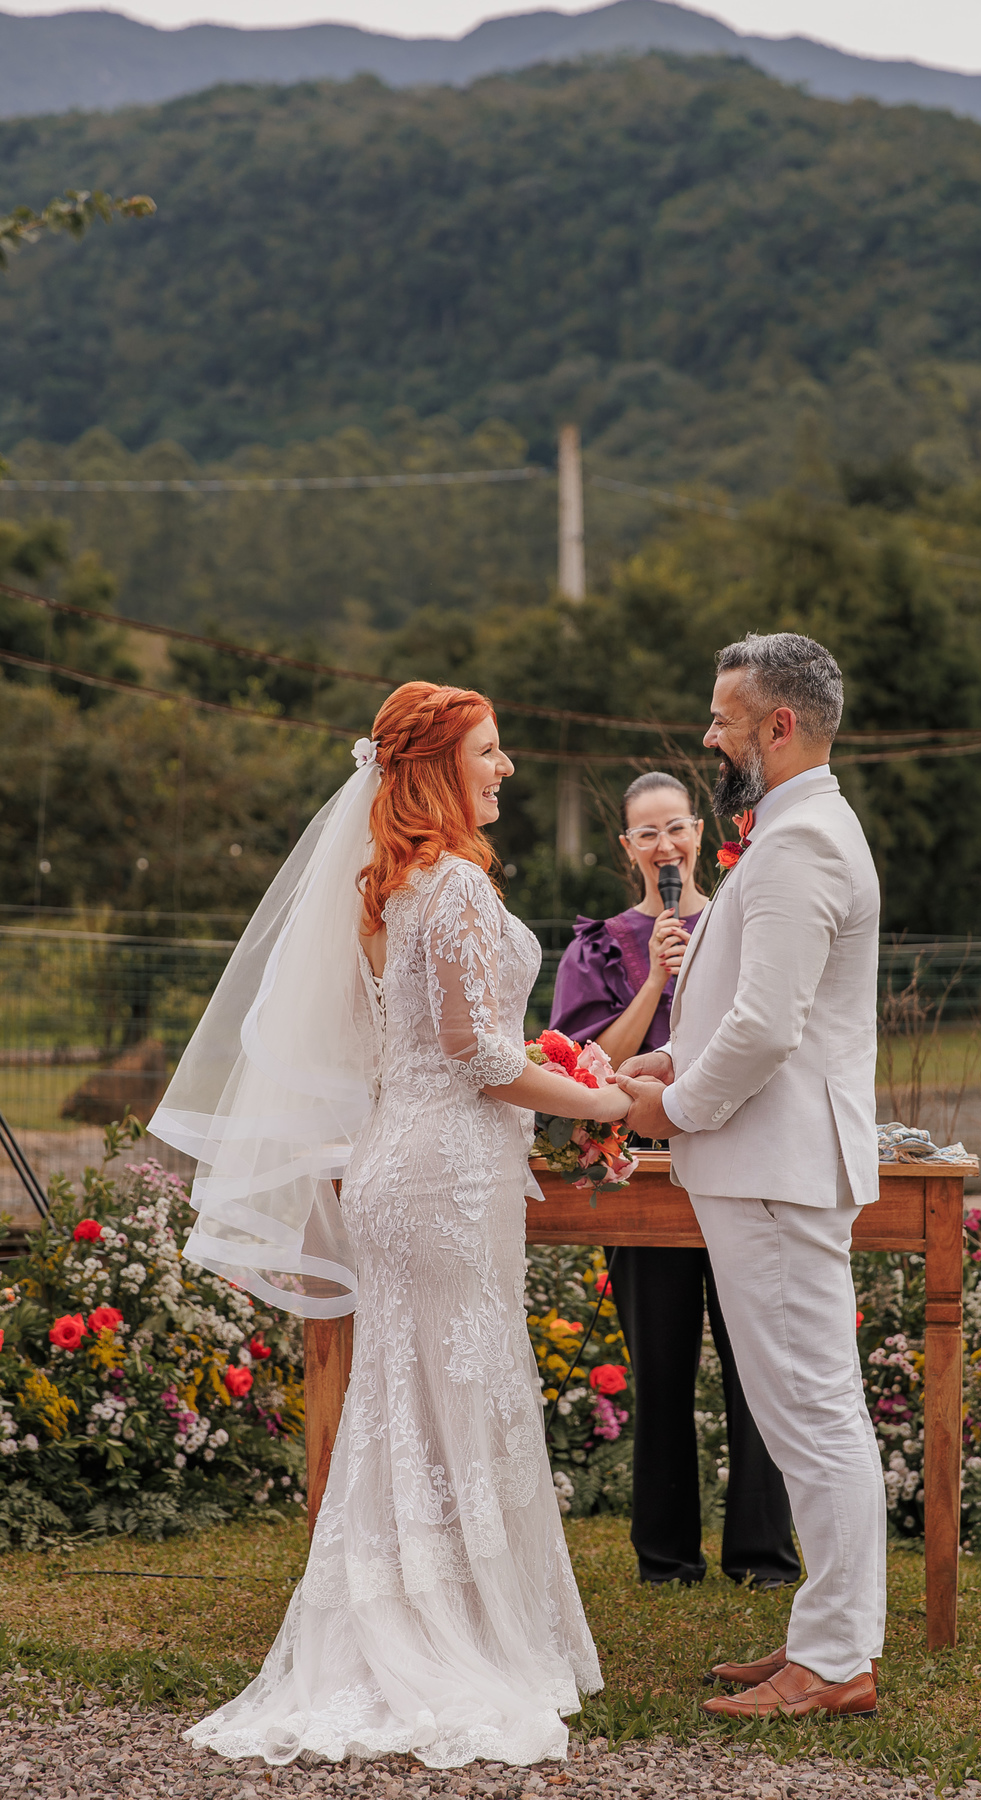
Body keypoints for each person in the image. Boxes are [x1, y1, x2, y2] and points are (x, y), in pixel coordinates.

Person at [151, 682, 630, 1770]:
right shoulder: (449, 883)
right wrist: (598, 1100)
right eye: (489, 751)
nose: (504, 769)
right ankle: (452, 1636)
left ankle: (414, 1613)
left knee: (409, 1400)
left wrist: (556, 1066)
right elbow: (476, 1056)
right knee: (455, 1390)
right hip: (441, 1173)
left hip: (406, 1163)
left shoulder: (387, 886)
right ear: (437, 765)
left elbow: (435, 1042)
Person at [616, 632, 886, 1721]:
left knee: (812, 1413)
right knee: (800, 1410)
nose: (708, 736)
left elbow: (771, 1028)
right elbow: (756, 1009)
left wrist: (673, 1109)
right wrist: (672, 1060)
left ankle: (837, 1661)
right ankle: (824, 1638)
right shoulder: (790, 831)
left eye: (723, 720)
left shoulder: (801, 842)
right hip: (769, 1164)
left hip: (776, 1169)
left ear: (779, 725)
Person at [550, 771, 800, 1590]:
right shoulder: (598, 949)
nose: (665, 845)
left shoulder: (744, 922)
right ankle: (666, 1558)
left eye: (677, 828)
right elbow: (583, 1070)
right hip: (641, 1176)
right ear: (628, 847)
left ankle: (762, 1555)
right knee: (659, 1366)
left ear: (700, 834)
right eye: (647, 833)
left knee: (756, 1360)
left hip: (741, 1165)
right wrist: (657, 981)